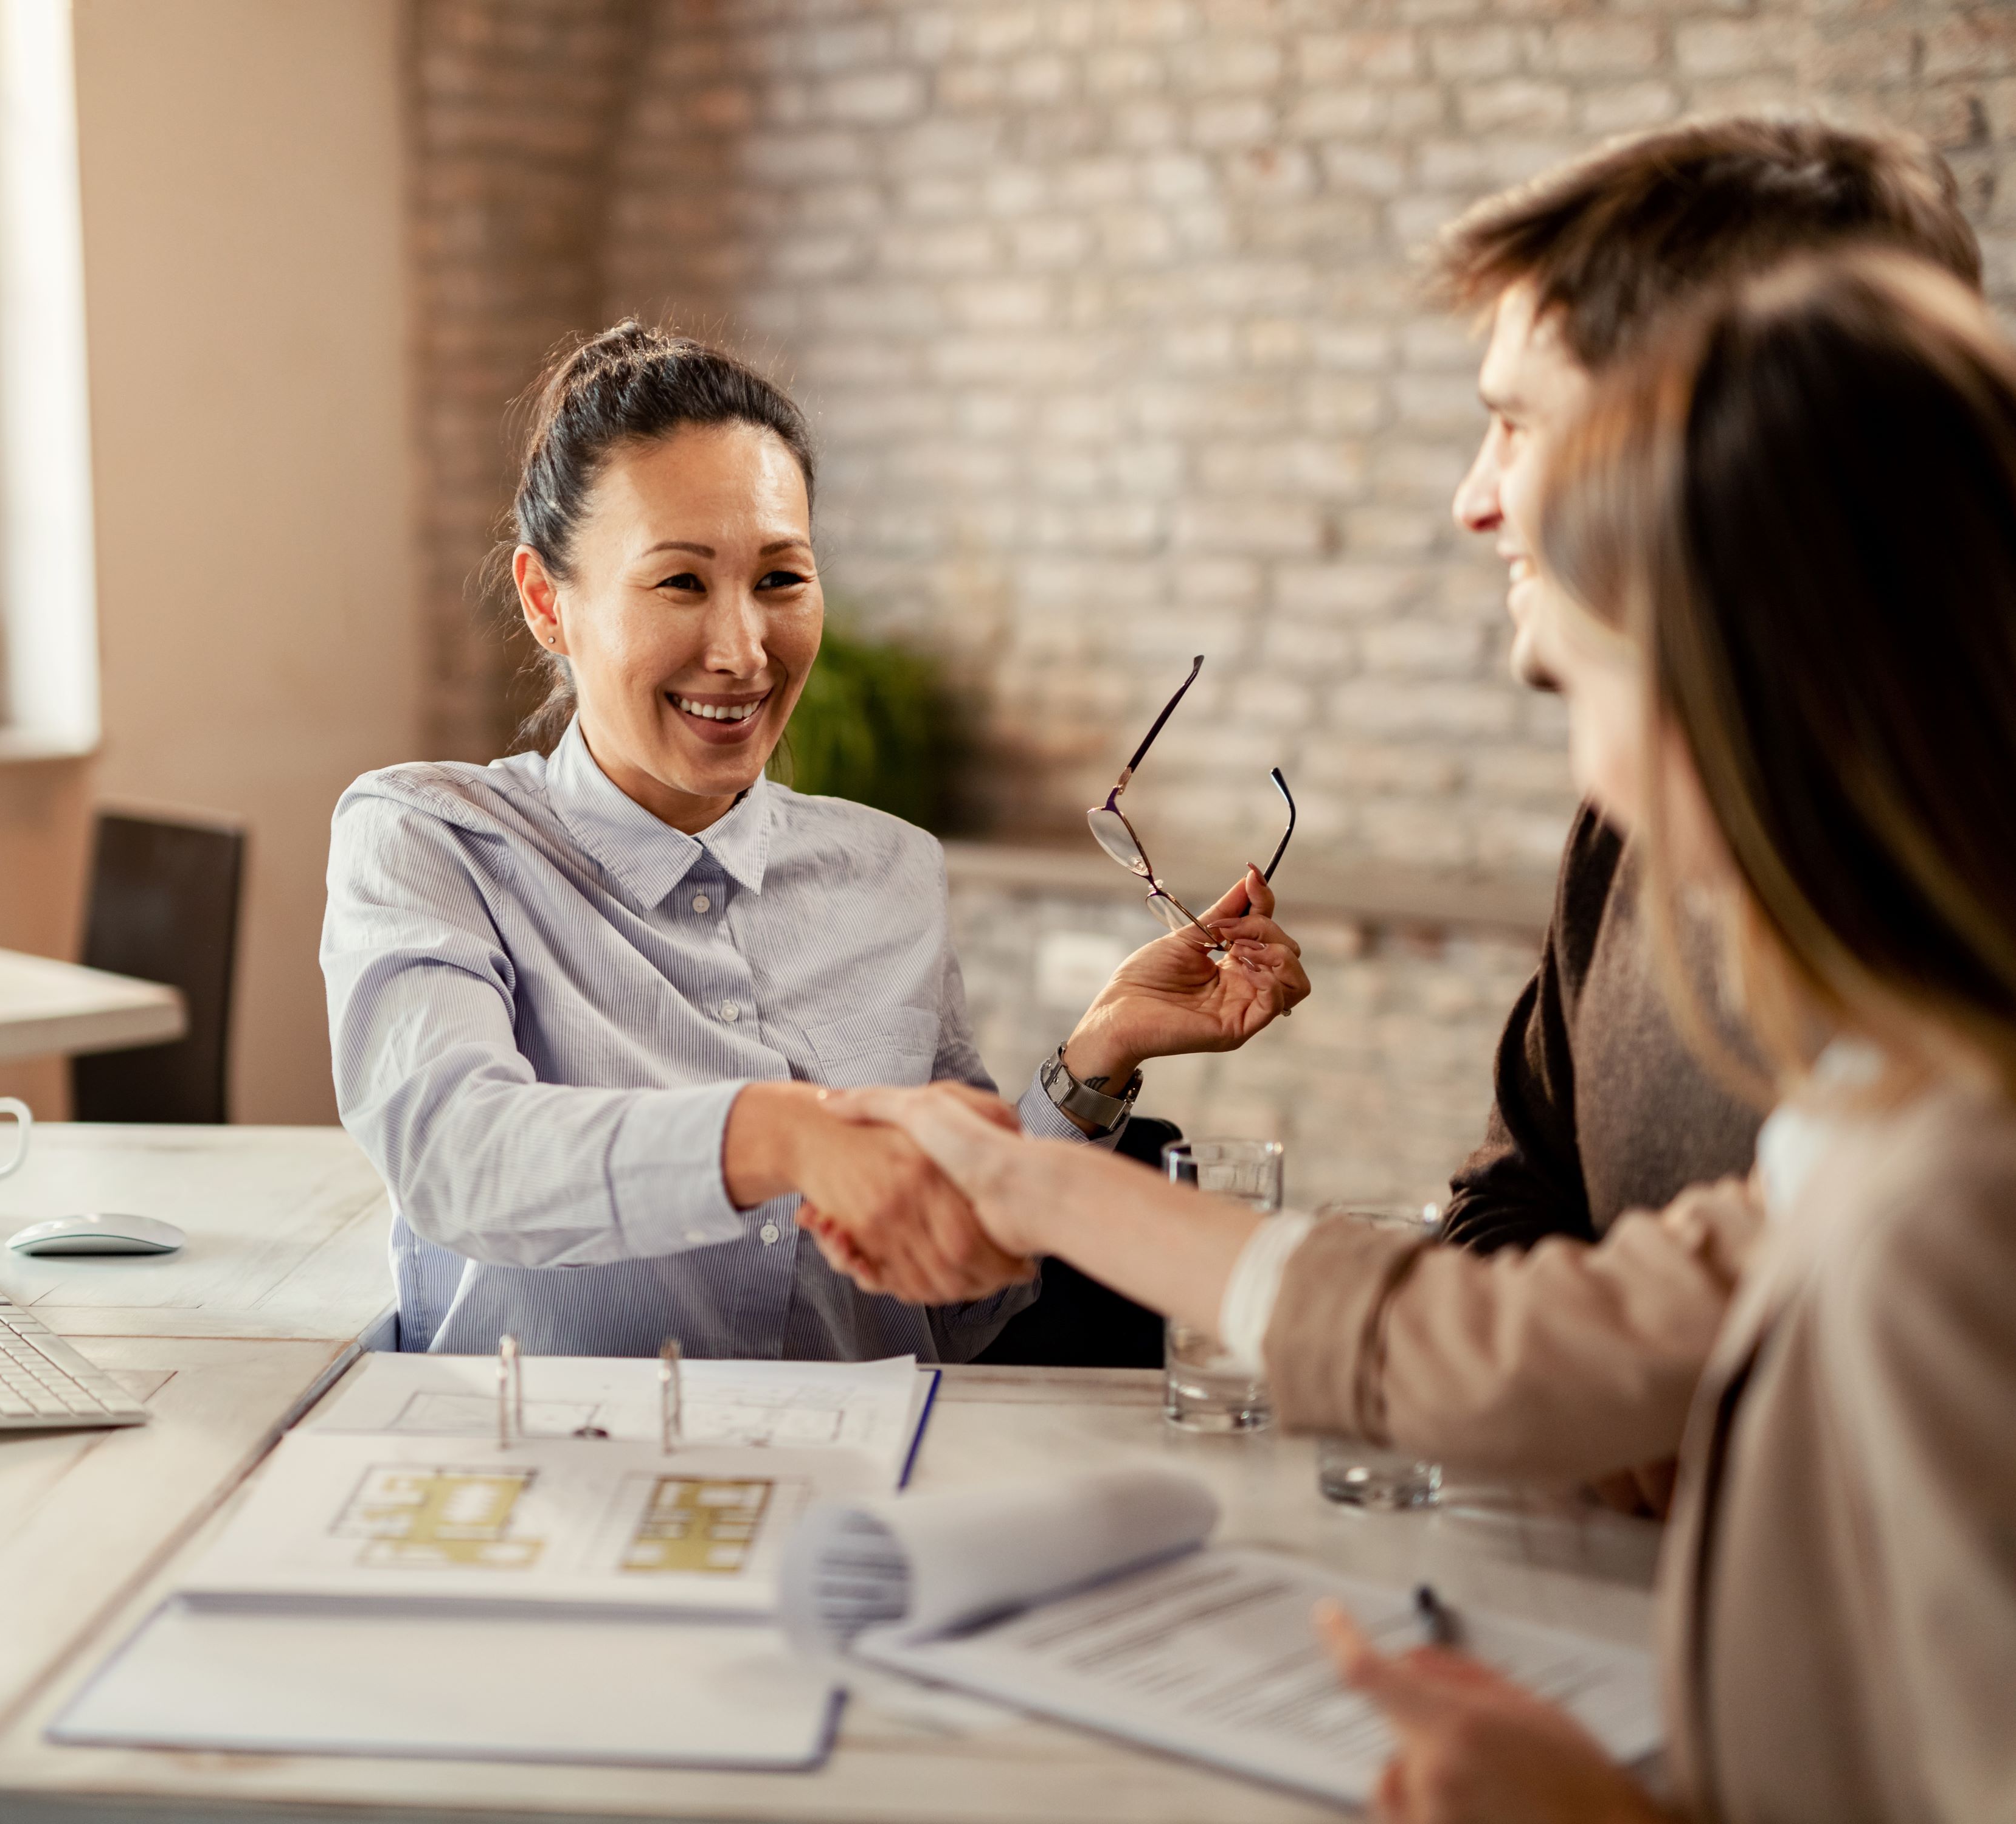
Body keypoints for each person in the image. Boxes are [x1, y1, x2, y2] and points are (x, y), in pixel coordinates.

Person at [823, 251, 2016, 1822]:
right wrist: (1039, 1174)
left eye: (1568, 683)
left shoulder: (1945, 1205)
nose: (1590, 769)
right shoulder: (1887, 1118)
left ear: (1728, 716)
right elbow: (1524, 1337)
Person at [320, 322, 1309, 1359]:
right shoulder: (430, 840)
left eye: (781, 580)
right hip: (554, 1489)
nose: (743, 650)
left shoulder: (890, 872)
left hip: (856, 1491)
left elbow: (955, 1301)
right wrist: (785, 1133)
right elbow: (455, 1156)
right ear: (546, 603)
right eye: (681, 583)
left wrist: (1097, 1055)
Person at [1427, 117, 1980, 1259]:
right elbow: (1507, 1195)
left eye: (1519, 425)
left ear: (1694, 437)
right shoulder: (1628, 825)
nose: (1473, 500)